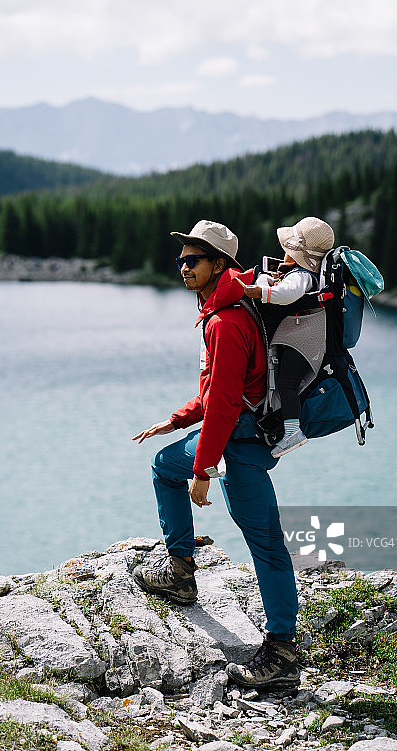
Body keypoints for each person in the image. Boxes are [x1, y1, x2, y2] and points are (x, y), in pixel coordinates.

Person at [132, 220, 300, 691]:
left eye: (193, 260)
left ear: (220, 264)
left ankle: (282, 652)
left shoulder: (226, 321)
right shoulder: (224, 308)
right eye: (181, 259)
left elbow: (225, 403)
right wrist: (178, 419)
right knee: (165, 465)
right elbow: (214, 394)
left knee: (266, 543)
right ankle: (181, 572)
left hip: (239, 447)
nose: (182, 267)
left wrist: (204, 470)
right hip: (232, 436)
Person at [240, 216, 334, 458]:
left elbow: (286, 294)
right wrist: (265, 278)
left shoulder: (300, 275)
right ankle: (287, 426)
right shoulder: (299, 274)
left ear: (297, 255)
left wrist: (261, 290)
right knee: (287, 383)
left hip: (303, 339)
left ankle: (293, 431)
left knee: (287, 384)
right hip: (303, 337)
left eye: (287, 249)